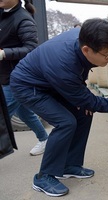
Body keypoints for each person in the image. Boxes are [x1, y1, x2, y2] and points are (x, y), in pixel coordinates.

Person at [10, 18, 108, 197]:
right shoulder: (64, 65)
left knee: (84, 114)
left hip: (50, 81)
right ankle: (43, 176)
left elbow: (82, 89)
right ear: (86, 50)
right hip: (28, 86)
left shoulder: (84, 38)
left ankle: (70, 165)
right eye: (106, 54)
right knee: (66, 122)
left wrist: (83, 101)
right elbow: (92, 101)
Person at [0, 0, 48, 156]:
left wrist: (4, 53)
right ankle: (44, 139)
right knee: (24, 113)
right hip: (4, 74)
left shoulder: (23, 18)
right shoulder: (3, 13)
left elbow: (31, 48)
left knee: (2, 116)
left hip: (16, 78)